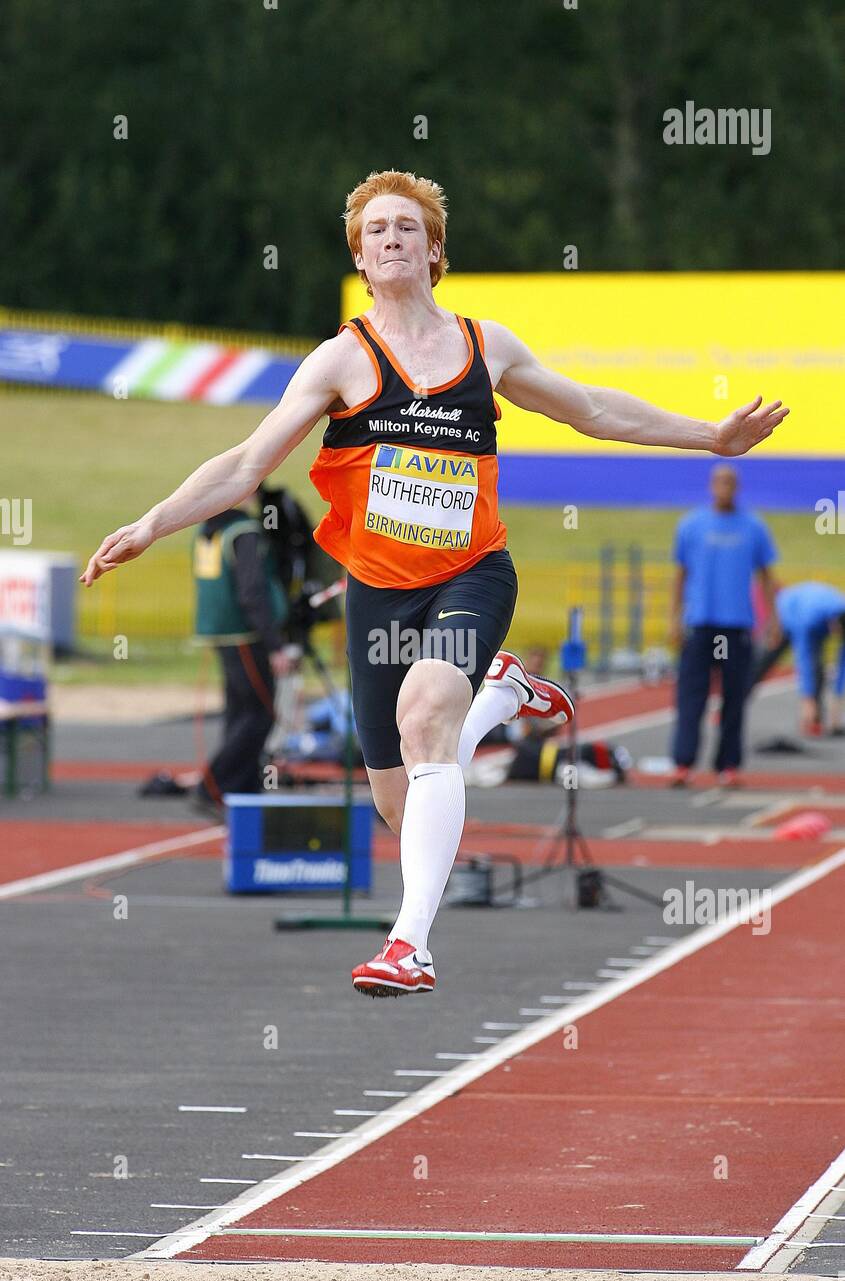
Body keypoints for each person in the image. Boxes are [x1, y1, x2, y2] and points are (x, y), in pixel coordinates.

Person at [80, 169, 788, 997]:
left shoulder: (485, 347)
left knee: (423, 721)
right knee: (402, 805)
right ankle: (500, 698)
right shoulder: (343, 358)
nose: (390, 239)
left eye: (406, 228)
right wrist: (151, 524)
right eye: (375, 230)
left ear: (434, 251)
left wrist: (709, 436)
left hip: (472, 575)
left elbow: (588, 408)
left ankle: (407, 945)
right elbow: (245, 465)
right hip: (377, 593)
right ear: (360, 254)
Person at [669, 463, 780, 787]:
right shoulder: (691, 525)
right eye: (719, 482)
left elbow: (767, 576)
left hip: (736, 626)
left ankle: (727, 765)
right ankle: (683, 763)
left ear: (737, 487)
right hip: (700, 624)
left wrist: (772, 619)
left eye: (730, 482)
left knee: (735, 697)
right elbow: (680, 575)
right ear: (711, 486)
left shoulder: (753, 526)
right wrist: (674, 618)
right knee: (691, 696)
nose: (724, 487)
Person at [191, 490, 290, 815]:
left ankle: (241, 790)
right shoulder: (243, 531)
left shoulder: (208, 529)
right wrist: (274, 643)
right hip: (247, 636)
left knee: (239, 713)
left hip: (221, 633)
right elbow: (253, 591)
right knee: (260, 714)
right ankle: (213, 785)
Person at [752, 581, 845, 735]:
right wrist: (807, 699)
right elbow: (804, 658)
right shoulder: (809, 619)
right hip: (787, 613)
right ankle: (731, 707)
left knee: (818, 671)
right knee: (759, 665)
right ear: (834, 624)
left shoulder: (841, 617)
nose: (836, 637)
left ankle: (814, 721)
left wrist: (838, 700)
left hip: (814, 617)